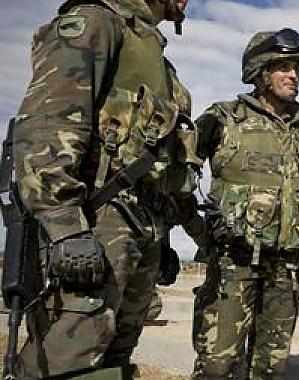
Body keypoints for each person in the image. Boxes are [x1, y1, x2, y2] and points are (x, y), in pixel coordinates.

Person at [10, 0, 195, 377]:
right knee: (67, 365)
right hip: (95, 223)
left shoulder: (158, 59)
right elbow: (46, 128)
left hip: (140, 228)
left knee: (111, 365)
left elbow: (161, 168)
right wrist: (66, 228)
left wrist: (163, 242)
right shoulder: (97, 22)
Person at [190, 28, 299, 379]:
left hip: (285, 269)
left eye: (297, 68)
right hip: (233, 265)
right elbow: (176, 172)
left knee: (270, 367)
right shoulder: (223, 118)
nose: (293, 75)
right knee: (217, 366)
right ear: (260, 70)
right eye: (283, 66)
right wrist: (200, 231)